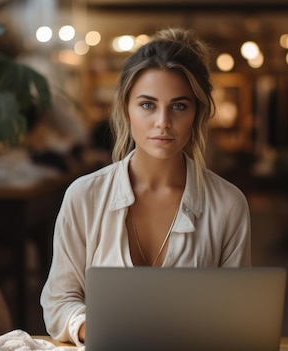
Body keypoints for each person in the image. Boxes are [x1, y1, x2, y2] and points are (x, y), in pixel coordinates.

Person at [40, 27, 252, 346]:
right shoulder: (84, 196)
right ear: (126, 108)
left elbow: (238, 316)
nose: (163, 122)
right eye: (148, 105)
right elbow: (59, 302)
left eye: (179, 106)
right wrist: (99, 329)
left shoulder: (228, 204)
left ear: (198, 113)